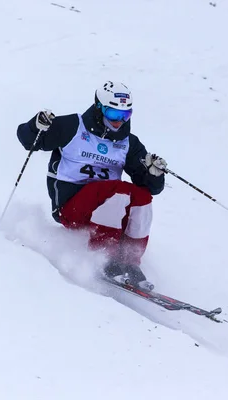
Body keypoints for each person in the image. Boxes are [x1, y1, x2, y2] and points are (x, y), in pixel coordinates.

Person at [17, 81, 167, 290]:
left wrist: (154, 174)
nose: (119, 122)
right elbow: (29, 141)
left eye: (125, 115)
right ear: (99, 108)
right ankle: (106, 257)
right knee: (118, 190)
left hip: (106, 207)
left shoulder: (128, 143)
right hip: (71, 206)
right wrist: (36, 126)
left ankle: (130, 262)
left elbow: (152, 188)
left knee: (142, 196)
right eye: (113, 114)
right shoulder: (72, 127)